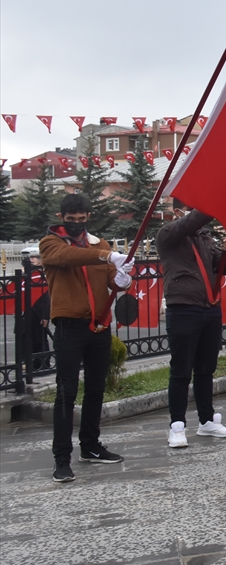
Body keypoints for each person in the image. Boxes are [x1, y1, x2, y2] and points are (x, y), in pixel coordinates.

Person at [39, 194, 132, 482]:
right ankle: (61, 458)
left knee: (95, 389)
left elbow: (107, 277)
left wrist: (120, 279)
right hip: (69, 325)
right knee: (66, 394)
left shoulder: (99, 244)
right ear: (61, 217)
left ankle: (90, 446)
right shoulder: (51, 243)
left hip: (99, 325)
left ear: (88, 216)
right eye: (72, 220)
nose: (78, 224)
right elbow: (66, 258)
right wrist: (105, 256)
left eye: (82, 220)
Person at [156, 199, 226, 448]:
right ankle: (177, 426)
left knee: (206, 369)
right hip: (183, 308)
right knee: (181, 370)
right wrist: (216, 202)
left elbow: (223, 267)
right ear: (178, 212)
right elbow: (191, 222)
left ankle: (207, 421)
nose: (196, 215)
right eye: (191, 209)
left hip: (209, 307)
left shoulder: (204, 238)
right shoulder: (168, 234)